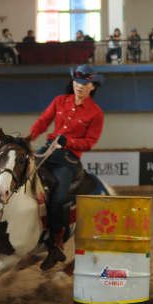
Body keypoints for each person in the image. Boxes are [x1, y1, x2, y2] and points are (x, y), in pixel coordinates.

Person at [28, 64, 105, 270]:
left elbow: (89, 141)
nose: (79, 86)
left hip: (68, 159)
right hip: (46, 150)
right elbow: (44, 121)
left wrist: (68, 142)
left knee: (59, 198)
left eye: (84, 83)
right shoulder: (59, 101)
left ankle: (56, 245)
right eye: (77, 82)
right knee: (17, 174)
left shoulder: (96, 113)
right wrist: (29, 137)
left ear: (92, 87)